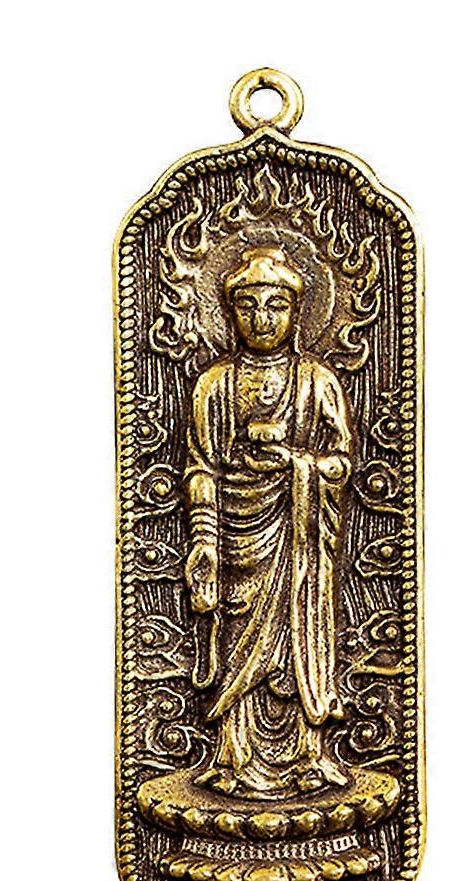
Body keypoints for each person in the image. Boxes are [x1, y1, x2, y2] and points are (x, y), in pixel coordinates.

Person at [183, 246, 353, 798]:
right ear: (230, 312)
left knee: (299, 634)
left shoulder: (317, 381)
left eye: (275, 305)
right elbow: (201, 468)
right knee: (238, 637)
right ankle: (233, 757)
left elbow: (340, 462)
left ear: (296, 312)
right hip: (237, 534)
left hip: (298, 537)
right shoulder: (214, 385)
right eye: (248, 307)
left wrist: (298, 466)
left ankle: (308, 755)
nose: (261, 319)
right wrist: (205, 541)